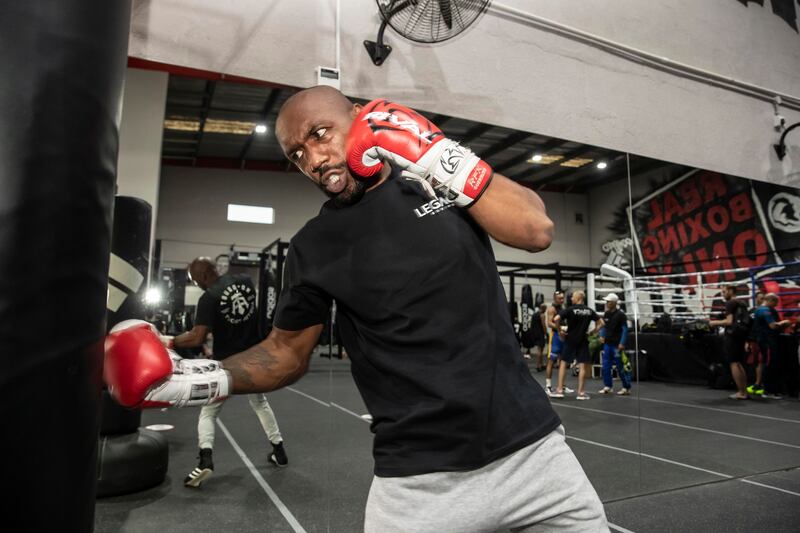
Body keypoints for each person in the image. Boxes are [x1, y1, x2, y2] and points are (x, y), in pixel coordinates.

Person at [105, 87, 608, 531]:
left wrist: (437, 155)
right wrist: (193, 380)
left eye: (321, 134)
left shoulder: (435, 182)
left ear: (363, 118)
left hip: (534, 455)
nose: (315, 159)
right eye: (298, 154)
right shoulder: (313, 247)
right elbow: (284, 353)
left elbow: (536, 231)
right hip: (419, 483)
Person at [166, 257, 288, 487]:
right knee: (260, 404)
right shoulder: (244, 281)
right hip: (254, 358)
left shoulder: (208, 298)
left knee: (208, 412)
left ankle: (205, 461)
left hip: (228, 365)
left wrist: (169, 342)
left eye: (195, 280)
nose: (197, 285)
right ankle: (279, 451)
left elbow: (197, 337)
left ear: (203, 276)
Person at [552, 291, 603, 400]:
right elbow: (602, 323)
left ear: (578, 298)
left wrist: (559, 330)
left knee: (563, 363)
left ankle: (560, 390)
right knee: (582, 365)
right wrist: (593, 332)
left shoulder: (570, 309)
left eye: (573, 297)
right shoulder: (589, 311)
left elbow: (556, 319)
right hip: (583, 340)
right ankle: (581, 393)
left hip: (570, 339)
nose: (571, 299)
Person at [708, 285, 749, 400]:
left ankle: (741, 392)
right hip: (741, 335)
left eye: (724, 291)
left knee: (734, 363)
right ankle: (743, 391)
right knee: (739, 363)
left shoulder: (730, 303)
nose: (722, 294)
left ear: (731, 291)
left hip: (732, 335)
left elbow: (729, 321)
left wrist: (714, 323)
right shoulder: (742, 302)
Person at [753, 293, 791, 400]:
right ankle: (768, 390)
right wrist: (785, 322)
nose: (776, 305)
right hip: (767, 342)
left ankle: (773, 389)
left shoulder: (769, 310)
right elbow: (773, 325)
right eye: (775, 303)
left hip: (770, 341)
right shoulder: (764, 310)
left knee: (772, 364)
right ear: (771, 300)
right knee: (769, 365)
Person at [597, 293, 631, 396]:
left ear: (614, 303)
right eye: (606, 301)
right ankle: (608, 386)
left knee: (620, 366)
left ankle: (626, 387)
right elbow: (604, 327)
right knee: (606, 366)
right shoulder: (606, 314)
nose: (607, 303)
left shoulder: (621, 315)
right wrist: (602, 336)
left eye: (609, 301)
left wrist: (622, 343)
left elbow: (625, 330)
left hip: (617, 346)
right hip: (607, 345)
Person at [544, 290, 570, 395]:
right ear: (555, 298)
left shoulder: (563, 308)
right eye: (560, 298)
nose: (562, 300)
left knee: (563, 361)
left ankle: (561, 386)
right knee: (551, 360)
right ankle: (548, 386)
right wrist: (560, 328)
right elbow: (549, 323)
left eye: (563, 298)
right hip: (555, 337)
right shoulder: (552, 309)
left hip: (563, 336)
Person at [746, 291, 766, 396]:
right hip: (753, 339)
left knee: (761, 362)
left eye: (763, 298)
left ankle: (760, 384)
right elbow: (748, 327)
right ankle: (757, 384)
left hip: (763, 340)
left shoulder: (767, 311)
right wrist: (747, 341)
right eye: (760, 298)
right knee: (756, 363)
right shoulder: (752, 311)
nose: (761, 300)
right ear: (756, 298)